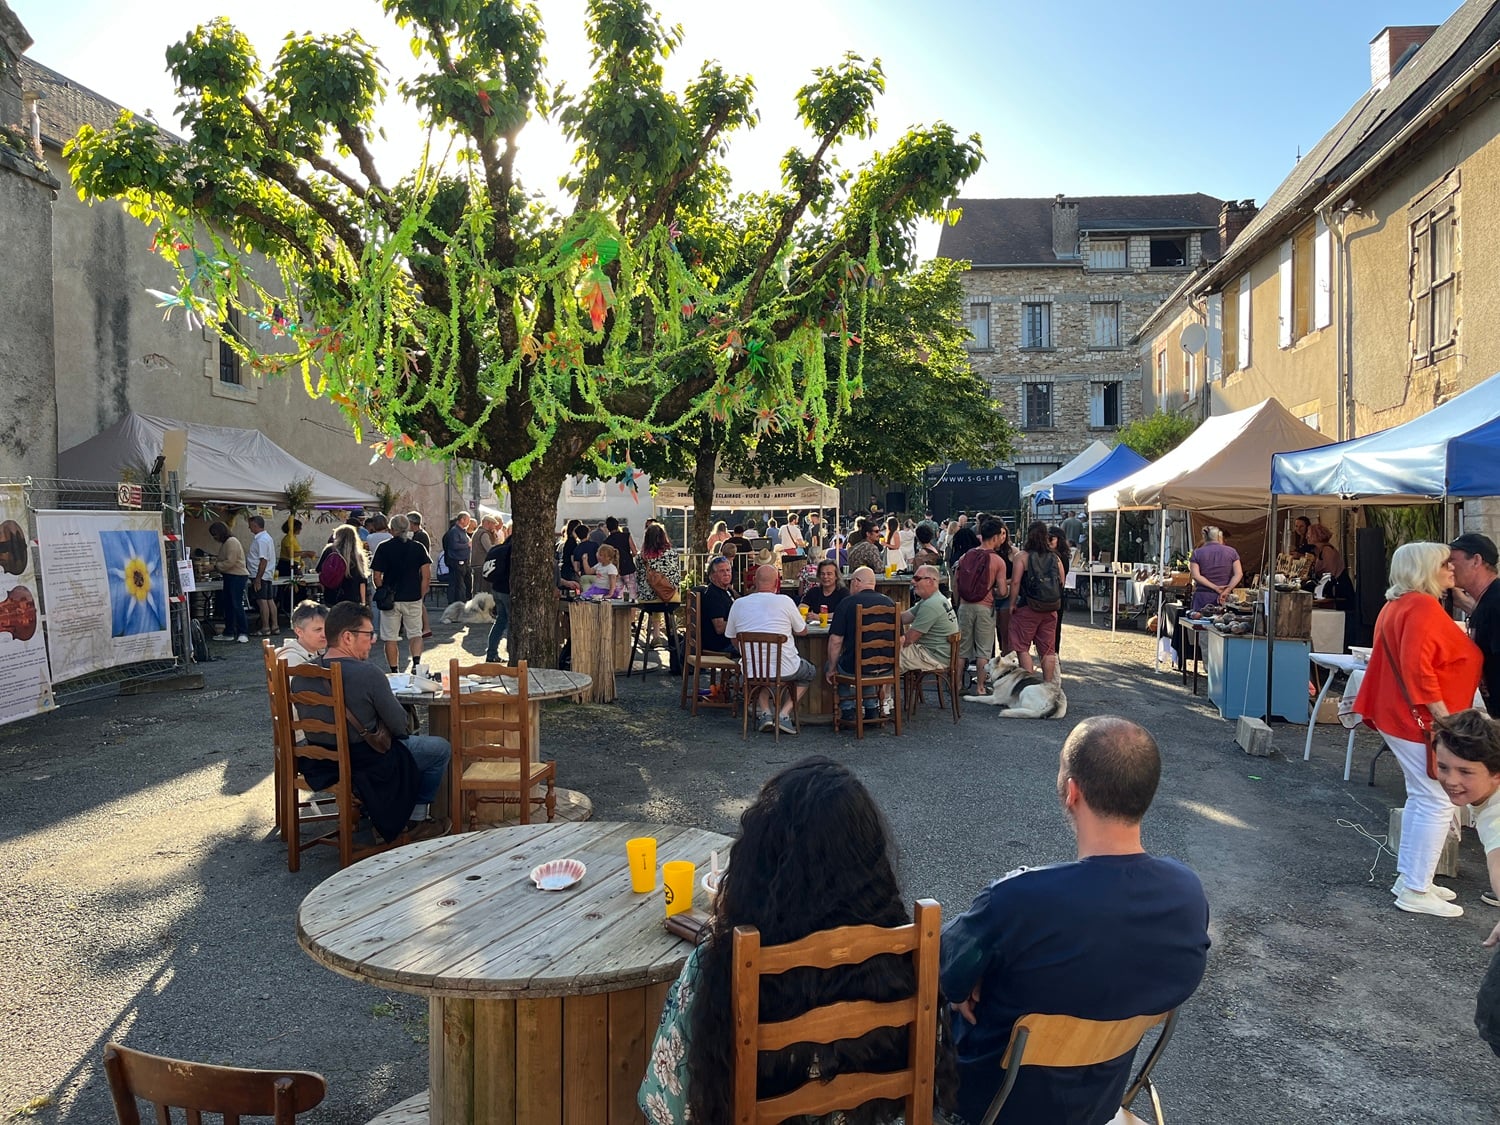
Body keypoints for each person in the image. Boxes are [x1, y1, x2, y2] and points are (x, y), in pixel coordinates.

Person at [639, 755, 958, 1123]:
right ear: (871, 861)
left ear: (759, 862)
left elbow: (665, 1108)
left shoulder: (724, 964)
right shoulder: (908, 955)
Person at [940, 717, 1210, 1124]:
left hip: (992, 1102)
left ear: (1072, 792)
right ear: (1146, 795)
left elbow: (943, 967)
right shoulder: (1187, 895)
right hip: (1098, 1102)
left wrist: (967, 979)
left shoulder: (1018, 899)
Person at [1355, 542, 1483, 917]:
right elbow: (1419, 670)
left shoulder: (1399, 604)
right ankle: (1415, 886)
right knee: (1436, 799)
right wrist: (1446, 719)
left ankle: (1412, 878)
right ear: (1426, 568)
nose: (1452, 569)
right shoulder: (1422, 606)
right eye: (1444, 563)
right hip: (1417, 718)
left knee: (1423, 797)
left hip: (1399, 713)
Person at [293, 601, 450, 842]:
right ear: (347, 637)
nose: (373, 640)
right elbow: (401, 728)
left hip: (319, 763)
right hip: (366, 762)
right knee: (439, 748)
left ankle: (372, 811)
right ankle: (414, 822)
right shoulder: (368, 673)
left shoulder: (301, 675)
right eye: (368, 634)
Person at [725, 564, 814, 735]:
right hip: (786, 668)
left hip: (753, 670)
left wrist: (747, 652)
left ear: (754, 582)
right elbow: (802, 631)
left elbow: (732, 637)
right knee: (809, 672)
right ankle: (784, 714)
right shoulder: (786, 601)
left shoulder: (738, 604)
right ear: (777, 583)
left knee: (763, 677)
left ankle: (765, 713)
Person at [1433, 709, 1500, 909]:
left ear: (1496, 774)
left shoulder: (1495, 814)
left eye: (1465, 772)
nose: (1451, 781)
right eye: (1443, 767)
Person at [825, 566, 897, 723]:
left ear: (857, 582)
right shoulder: (890, 603)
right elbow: (902, 640)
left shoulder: (847, 603)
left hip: (857, 667)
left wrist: (831, 668)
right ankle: (871, 708)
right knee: (865, 661)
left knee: (836, 664)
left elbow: (835, 641)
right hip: (887, 667)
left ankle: (848, 710)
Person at [371, 514, 433, 673]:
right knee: (415, 633)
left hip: (391, 599)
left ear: (392, 530)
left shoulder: (383, 547)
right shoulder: (418, 547)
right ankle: (417, 664)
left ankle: (394, 670)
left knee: (390, 637)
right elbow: (426, 575)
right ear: (407, 529)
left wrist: (382, 590)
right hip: (412, 596)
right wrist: (421, 594)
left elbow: (377, 576)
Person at [956, 519, 1009, 697]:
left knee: (961, 649)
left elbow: (957, 582)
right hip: (985, 607)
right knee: (983, 650)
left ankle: (956, 684)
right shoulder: (997, 561)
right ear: (995, 537)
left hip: (964, 606)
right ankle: (980, 686)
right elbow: (1002, 591)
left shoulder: (966, 556)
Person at [1008, 521, 1064, 684]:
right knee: (1048, 649)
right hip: (1051, 607)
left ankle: (1029, 685)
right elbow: (1062, 580)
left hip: (1028, 606)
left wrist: (1012, 603)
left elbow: (1016, 582)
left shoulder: (1022, 556)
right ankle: (1048, 685)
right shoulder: (1055, 557)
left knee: (1022, 647)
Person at [1451, 532, 1500, 710]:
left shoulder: (1496, 601)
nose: (1448, 567)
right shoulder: (1486, 600)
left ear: (1476, 561)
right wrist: (1464, 603)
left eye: (1452, 560)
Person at [900, 564, 959, 675]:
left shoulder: (931, 605)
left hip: (933, 657)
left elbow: (909, 639)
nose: (912, 582)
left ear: (930, 581)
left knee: (886, 657)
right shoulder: (936, 599)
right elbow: (904, 618)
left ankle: (881, 691)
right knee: (889, 654)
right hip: (937, 653)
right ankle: (885, 691)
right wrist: (883, 615)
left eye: (917, 578)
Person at [637, 523, 682, 649]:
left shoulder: (641, 557)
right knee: (662, 598)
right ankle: (671, 635)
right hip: (670, 599)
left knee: (654, 598)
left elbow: (639, 579)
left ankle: (655, 636)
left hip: (647, 601)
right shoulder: (672, 554)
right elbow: (676, 579)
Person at [209, 521, 250, 643]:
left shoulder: (231, 542)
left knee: (236, 604)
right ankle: (229, 632)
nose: (214, 538)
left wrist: (215, 567)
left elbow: (230, 562)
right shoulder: (228, 542)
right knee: (229, 605)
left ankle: (243, 632)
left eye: (215, 534)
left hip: (237, 576)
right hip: (230, 575)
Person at [1189, 526, 1242, 612]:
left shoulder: (1197, 553)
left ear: (1204, 537)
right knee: (1223, 622)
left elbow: (1195, 575)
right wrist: (1227, 590)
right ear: (1218, 536)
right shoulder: (1232, 552)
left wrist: (1215, 587)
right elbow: (1239, 574)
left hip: (1203, 597)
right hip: (1224, 598)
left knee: (1200, 623)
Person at [316, 525, 369, 608]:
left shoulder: (329, 550)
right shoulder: (358, 555)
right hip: (353, 598)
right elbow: (362, 581)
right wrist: (363, 602)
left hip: (332, 596)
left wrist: (325, 592)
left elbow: (321, 573)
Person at [481, 524, 513, 663]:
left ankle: (491, 653)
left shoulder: (499, 549)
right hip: (507, 590)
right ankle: (513, 654)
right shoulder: (513, 551)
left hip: (496, 589)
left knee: (500, 621)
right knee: (513, 623)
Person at [246, 514, 278, 636]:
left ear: (255, 525)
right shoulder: (266, 538)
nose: (249, 529)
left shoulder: (261, 540)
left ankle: (265, 627)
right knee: (269, 600)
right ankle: (274, 626)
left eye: (250, 526)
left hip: (261, 574)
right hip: (266, 574)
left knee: (262, 601)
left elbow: (263, 560)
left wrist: (258, 578)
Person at [699, 555, 737, 655]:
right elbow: (719, 628)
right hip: (720, 645)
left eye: (728, 570)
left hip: (728, 641)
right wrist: (741, 622)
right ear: (712, 575)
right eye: (722, 571)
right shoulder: (713, 595)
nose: (726, 574)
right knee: (757, 647)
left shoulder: (727, 590)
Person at [277, 600, 328, 666]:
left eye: (327, 628)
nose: (324, 634)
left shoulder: (317, 652)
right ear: (299, 632)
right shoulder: (292, 660)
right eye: (318, 629)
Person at [1048, 525, 1072, 655]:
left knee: (1056, 627)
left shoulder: (1061, 556)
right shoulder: (1044, 554)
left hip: (1056, 595)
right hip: (1047, 595)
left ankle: (1054, 654)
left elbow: (1063, 577)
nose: (1049, 540)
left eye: (1052, 538)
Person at [442, 511, 474, 605]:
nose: (469, 523)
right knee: (458, 584)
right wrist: (467, 545)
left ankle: (461, 601)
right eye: (467, 520)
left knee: (463, 584)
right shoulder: (455, 531)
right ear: (462, 520)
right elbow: (454, 545)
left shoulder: (462, 531)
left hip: (464, 561)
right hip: (457, 561)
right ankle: (456, 603)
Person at [603, 516, 639, 598]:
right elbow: (634, 552)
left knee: (618, 595)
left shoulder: (606, 542)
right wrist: (628, 556)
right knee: (632, 595)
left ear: (608, 528)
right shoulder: (626, 536)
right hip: (629, 567)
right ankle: (632, 610)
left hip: (615, 570)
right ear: (617, 525)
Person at [470, 515, 500, 595]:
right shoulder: (484, 534)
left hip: (477, 564)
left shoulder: (477, 532)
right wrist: (497, 543)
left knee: (477, 587)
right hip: (482, 564)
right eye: (493, 524)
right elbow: (489, 549)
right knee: (483, 589)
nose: (494, 526)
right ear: (487, 523)